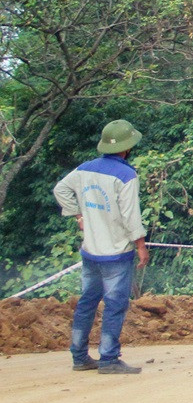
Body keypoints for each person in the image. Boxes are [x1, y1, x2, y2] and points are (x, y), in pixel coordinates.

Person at [53, 119, 150, 375]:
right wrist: (141, 245)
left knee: (87, 302)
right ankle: (108, 359)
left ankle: (79, 357)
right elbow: (131, 216)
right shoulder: (126, 175)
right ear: (127, 148)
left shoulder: (84, 169)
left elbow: (60, 189)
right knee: (115, 304)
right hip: (117, 253)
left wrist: (77, 215)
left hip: (91, 251)